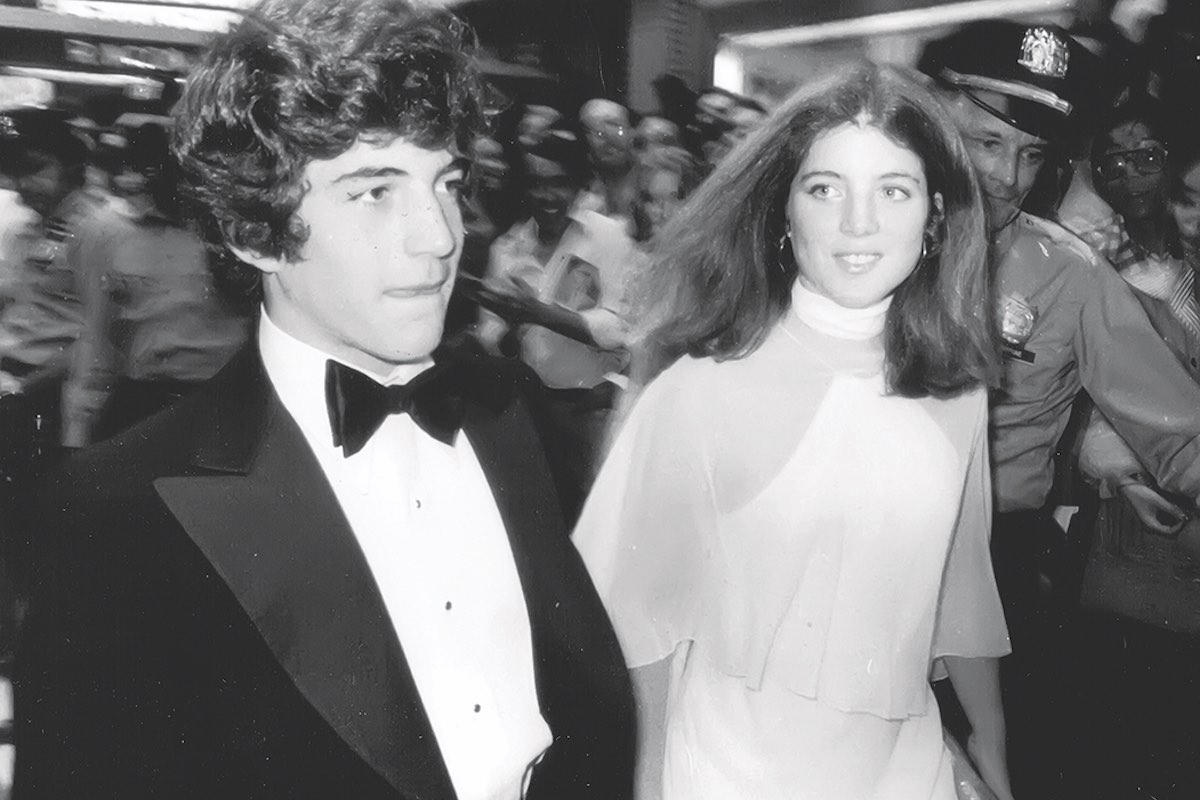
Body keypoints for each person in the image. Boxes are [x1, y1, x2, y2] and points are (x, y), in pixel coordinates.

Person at [13, 1, 635, 797]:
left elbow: (580, 698)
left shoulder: (500, 404)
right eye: (375, 191)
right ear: (255, 229)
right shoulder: (118, 516)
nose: (440, 235)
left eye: (444, 182)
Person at [574, 62, 1013, 800]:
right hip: (727, 772)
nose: (858, 223)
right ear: (782, 209)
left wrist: (989, 751)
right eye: (824, 188)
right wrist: (648, 785)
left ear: (936, 214)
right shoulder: (700, 389)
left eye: (893, 191)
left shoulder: (957, 388)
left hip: (904, 772)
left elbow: (958, 589)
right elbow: (635, 620)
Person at [921, 20, 1200, 794]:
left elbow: (1181, 435)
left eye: (1033, 152)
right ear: (936, 117)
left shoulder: (1069, 276)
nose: (1009, 176)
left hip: (996, 565)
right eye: (987, 141)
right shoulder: (863, 241)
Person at [60, 123, 253, 447]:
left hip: (225, 399)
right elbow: (97, 332)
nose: (135, 181)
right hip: (145, 398)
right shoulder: (105, 231)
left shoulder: (236, 231)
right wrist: (77, 427)